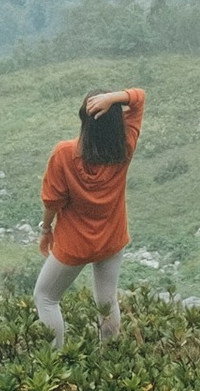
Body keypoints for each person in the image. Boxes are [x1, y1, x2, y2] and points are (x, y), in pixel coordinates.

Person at [33, 83, 146, 344]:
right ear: (119, 123)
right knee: (107, 301)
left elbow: (52, 201)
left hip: (75, 245)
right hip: (112, 240)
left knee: (46, 298)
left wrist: (46, 230)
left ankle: (55, 361)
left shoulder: (64, 153)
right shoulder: (125, 147)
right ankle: (111, 361)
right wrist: (113, 99)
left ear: (84, 120)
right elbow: (139, 98)